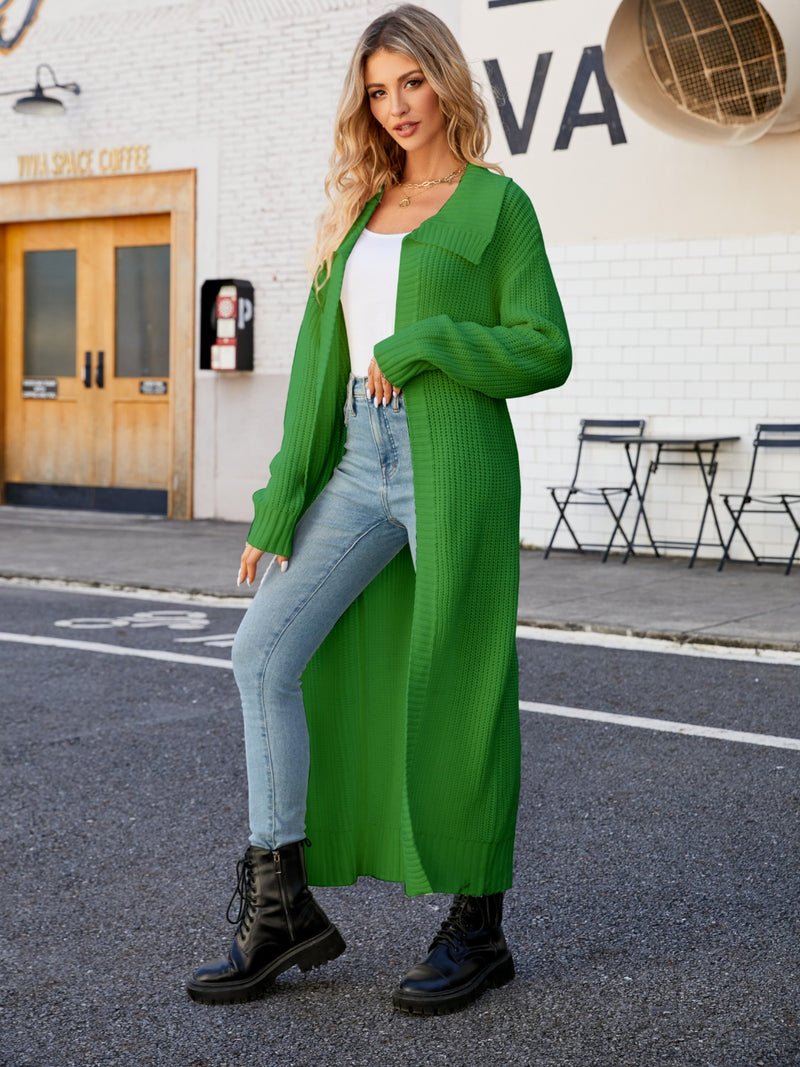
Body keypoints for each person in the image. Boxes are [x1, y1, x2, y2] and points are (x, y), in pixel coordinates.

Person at [187, 3, 571, 1016]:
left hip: (455, 460)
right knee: (261, 652)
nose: (396, 105)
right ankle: (280, 906)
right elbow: (318, 376)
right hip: (359, 461)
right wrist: (276, 507)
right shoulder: (357, 214)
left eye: (410, 81)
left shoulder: (496, 206)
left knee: (461, 680)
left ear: (443, 80)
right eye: (376, 89)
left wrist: (426, 341)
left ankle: (477, 925)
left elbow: (544, 347)